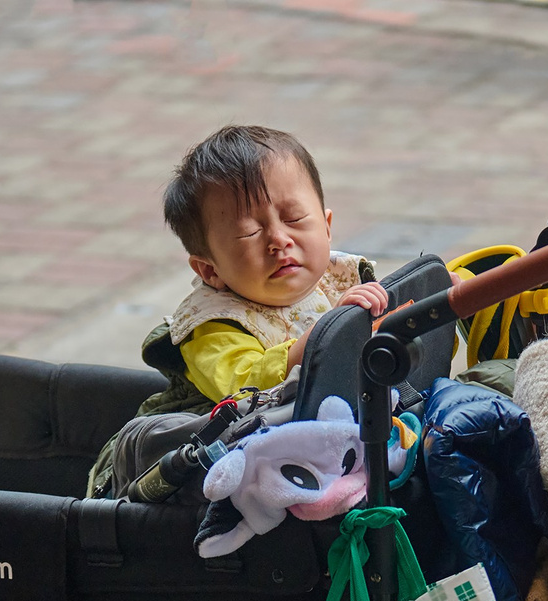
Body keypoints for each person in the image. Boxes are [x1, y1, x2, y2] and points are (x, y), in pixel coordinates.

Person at [140, 125, 390, 414]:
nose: (279, 240)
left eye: (294, 218)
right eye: (249, 232)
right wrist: (325, 334)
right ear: (210, 271)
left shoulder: (342, 277)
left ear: (326, 226)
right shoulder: (214, 325)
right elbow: (244, 388)